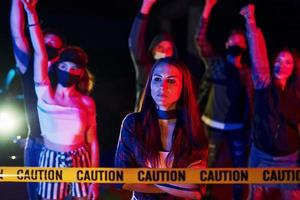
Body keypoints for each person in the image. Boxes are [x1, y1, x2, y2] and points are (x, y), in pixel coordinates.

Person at [20, 0, 99, 199]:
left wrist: (95, 180)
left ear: (81, 73)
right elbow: (40, 52)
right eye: (64, 66)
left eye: (74, 68)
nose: (68, 71)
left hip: (80, 157)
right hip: (50, 156)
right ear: (57, 66)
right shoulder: (44, 92)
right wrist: (31, 14)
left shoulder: (86, 102)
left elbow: (93, 142)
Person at [115, 57, 208, 199]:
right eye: (157, 79)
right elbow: (122, 180)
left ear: (183, 87)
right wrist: (178, 184)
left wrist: (145, 175)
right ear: (150, 84)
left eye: (171, 81)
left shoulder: (193, 128)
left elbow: (195, 189)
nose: (162, 87)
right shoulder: (133, 123)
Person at [194, 0, 254, 199]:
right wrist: (208, 7)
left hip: (237, 128)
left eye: (240, 41)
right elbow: (200, 40)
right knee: (206, 168)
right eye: (233, 41)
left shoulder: (247, 72)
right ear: (227, 43)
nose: (236, 44)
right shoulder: (216, 63)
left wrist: (250, 22)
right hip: (210, 125)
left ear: (245, 45)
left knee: (239, 170)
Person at [241, 4, 300, 200]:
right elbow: (258, 59)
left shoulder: (297, 92)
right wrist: (251, 22)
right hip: (260, 156)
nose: (281, 65)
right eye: (278, 60)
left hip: (290, 159)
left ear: (294, 67)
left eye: (288, 62)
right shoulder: (263, 84)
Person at [10, 0, 65, 199]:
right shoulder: (29, 66)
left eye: (53, 44)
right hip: (34, 142)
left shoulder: (65, 75)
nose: (48, 45)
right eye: (45, 41)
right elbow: (17, 33)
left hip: (61, 147)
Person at [129, 0, 178, 111]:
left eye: (168, 49)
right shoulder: (145, 68)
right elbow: (135, 41)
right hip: (144, 124)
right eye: (160, 47)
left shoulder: (178, 73)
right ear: (153, 50)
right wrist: (146, 5)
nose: (164, 52)